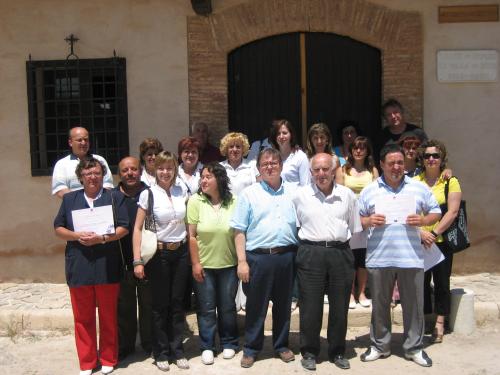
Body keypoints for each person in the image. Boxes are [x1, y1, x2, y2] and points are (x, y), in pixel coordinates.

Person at [358, 143, 441, 367]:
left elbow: (436, 211)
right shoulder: (369, 190)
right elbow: (356, 220)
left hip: (410, 256)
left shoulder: (418, 188)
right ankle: (379, 346)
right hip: (379, 256)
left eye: (400, 163)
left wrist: (423, 221)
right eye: (392, 163)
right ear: (381, 165)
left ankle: (414, 348)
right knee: (380, 305)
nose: (397, 167)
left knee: (414, 306)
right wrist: (368, 221)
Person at [54, 157, 129, 375]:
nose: (92, 177)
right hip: (79, 265)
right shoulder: (69, 200)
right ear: (81, 178)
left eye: (96, 173)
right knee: (83, 317)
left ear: (103, 175)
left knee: (108, 316)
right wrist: (76, 236)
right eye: (88, 174)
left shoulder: (114, 197)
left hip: (107, 264)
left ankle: (108, 358)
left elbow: (123, 227)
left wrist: (103, 239)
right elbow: (58, 228)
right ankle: (87, 362)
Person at [292, 153, 362, 371]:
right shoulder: (299, 196)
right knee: (310, 306)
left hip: (340, 253)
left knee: (340, 306)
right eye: (316, 170)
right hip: (311, 253)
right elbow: (295, 227)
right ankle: (310, 351)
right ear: (311, 172)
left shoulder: (348, 195)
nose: (321, 174)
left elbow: (354, 227)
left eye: (325, 169)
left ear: (334, 171)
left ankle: (337, 350)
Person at [230, 148, 298, 368]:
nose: (270, 166)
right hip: (258, 258)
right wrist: (242, 261)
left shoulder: (294, 192)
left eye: (274, 162)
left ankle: (281, 345)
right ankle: (251, 348)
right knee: (256, 307)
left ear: (281, 165)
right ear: (258, 168)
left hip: (287, 256)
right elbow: (239, 230)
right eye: (265, 163)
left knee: (283, 305)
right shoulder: (249, 194)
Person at [132, 151, 190, 371]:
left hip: (181, 252)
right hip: (160, 254)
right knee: (159, 305)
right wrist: (137, 260)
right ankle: (161, 352)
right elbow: (137, 228)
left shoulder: (181, 190)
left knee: (177, 304)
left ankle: (177, 349)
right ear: (155, 170)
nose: (165, 172)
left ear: (175, 169)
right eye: (161, 168)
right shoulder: (149, 194)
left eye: (170, 168)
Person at [187, 162, 239, 365]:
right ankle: (207, 345)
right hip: (204, 265)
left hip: (229, 264)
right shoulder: (195, 201)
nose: (203, 180)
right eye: (202, 177)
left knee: (227, 306)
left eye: (208, 176)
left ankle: (229, 342)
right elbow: (191, 236)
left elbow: (238, 232)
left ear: (219, 179)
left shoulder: (233, 201)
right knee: (207, 307)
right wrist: (195, 263)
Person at [414, 140, 463, 344]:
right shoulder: (415, 181)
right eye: (427, 156)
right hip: (419, 240)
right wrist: (420, 233)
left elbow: (452, 212)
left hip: (440, 241)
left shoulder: (450, 181)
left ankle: (440, 322)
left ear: (442, 159)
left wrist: (433, 233)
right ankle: (424, 319)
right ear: (422, 159)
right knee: (421, 283)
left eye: (435, 156)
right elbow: (408, 211)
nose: (431, 159)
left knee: (442, 283)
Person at [113, 157, 152, 360]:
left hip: (147, 261)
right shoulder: (110, 197)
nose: (130, 173)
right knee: (124, 307)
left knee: (148, 304)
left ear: (141, 171)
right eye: (125, 170)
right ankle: (126, 345)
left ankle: (149, 344)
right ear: (119, 174)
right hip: (121, 260)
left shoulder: (150, 193)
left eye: (134, 169)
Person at [336, 136, 379, 309]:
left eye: (362, 148)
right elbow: (338, 194)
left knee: (362, 257)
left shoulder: (373, 170)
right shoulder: (343, 170)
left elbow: (377, 194)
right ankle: (349, 294)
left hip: (368, 218)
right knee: (349, 257)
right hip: (349, 217)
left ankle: (361, 292)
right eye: (355, 148)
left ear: (367, 150)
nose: (358, 151)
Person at [219, 132, 257, 312]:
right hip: (225, 219)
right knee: (230, 259)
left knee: (245, 257)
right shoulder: (219, 168)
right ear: (225, 149)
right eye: (231, 146)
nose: (234, 150)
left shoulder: (251, 167)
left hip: (248, 221)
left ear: (244, 149)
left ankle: (247, 299)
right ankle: (231, 300)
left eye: (238, 146)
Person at [52, 126, 114, 198]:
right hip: (74, 206)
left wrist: (96, 201)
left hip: (100, 206)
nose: (83, 142)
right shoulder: (61, 164)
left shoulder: (100, 160)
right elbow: (60, 189)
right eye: (79, 140)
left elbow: (108, 185)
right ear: (70, 142)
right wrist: (82, 202)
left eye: (86, 139)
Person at [270, 119, 310, 186]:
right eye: (278, 133)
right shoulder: (271, 157)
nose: (281, 136)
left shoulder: (300, 157)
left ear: (291, 135)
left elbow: (306, 185)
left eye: (284, 133)